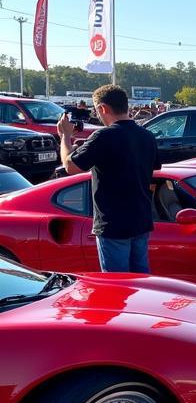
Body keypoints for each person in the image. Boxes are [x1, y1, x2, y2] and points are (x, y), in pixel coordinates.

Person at [57, 84, 160, 273]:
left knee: (118, 286)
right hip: (141, 220)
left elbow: (70, 166)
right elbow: (152, 174)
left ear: (103, 108)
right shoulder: (147, 136)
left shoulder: (104, 136)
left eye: (97, 111)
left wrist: (65, 137)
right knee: (142, 284)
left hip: (113, 224)